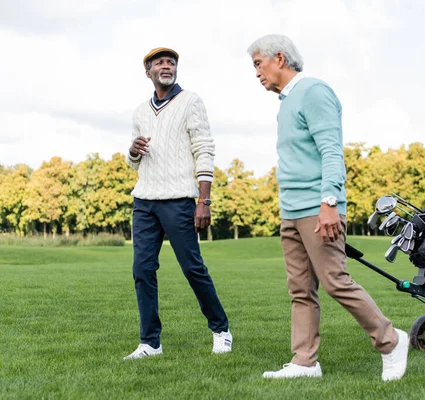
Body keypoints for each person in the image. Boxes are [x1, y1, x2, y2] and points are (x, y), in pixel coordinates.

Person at [247, 35, 409, 381]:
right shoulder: (286, 102)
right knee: (300, 290)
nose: (256, 73)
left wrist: (329, 203)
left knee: (335, 281)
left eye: (258, 64)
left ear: (279, 58)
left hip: (317, 208)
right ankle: (305, 362)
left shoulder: (314, 92)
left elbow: (332, 152)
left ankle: (391, 341)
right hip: (291, 211)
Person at [123, 47, 232, 360]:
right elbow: (134, 164)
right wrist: (132, 151)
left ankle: (221, 329)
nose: (166, 65)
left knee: (192, 268)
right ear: (149, 73)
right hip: (144, 201)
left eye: (171, 61)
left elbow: (204, 149)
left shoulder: (191, 102)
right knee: (142, 270)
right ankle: (150, 343)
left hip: (179, 201)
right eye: (159, 62)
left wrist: (204, 199)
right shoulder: (140, 111)